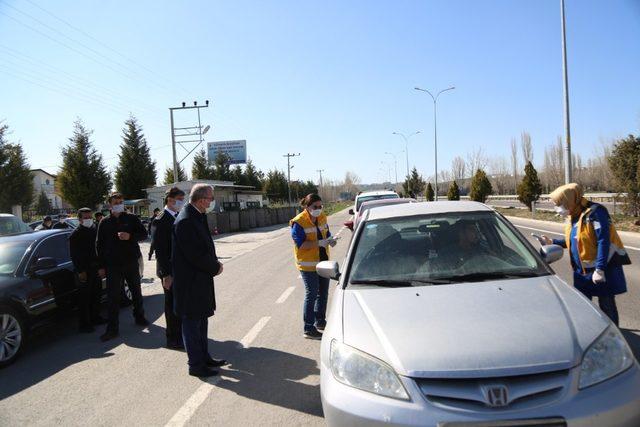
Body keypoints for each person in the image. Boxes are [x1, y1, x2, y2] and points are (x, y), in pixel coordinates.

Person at [539, 183, 630, 326]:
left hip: (602, 269)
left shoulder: (595, 213)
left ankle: (614, 335)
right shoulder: (574, 215)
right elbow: (576, 239)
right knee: (583, 306)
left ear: (569, 201)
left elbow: (603, 240)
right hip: (582, 271)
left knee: (606, 305)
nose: (557, 208)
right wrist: (552, 241)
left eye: (559, 204)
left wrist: (600, 269)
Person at [172, 184, 226, 377]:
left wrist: (214, 262)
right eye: (210, 198)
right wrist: (215, 267)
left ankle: (204, 357)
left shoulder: (197, 215)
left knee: (201, 321)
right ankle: (195, 364)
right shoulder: (186, 220)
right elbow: (194, 255)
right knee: (192, 324)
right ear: (202, 199)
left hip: (199, 280)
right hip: (190, 283)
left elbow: (204, 248)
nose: (212, 202)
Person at [96, 192, 150, 342]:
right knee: (113, 297)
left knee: (136, 291)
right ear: (110, 204)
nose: (119, 203)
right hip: (112, 265)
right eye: (115, 201)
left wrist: (130, 236)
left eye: (121, 201)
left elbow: (144, 234)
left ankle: (139, 317)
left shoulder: (131, 218)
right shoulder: (104, 222)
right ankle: (112, 329)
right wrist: (101, 266)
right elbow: (99, 245)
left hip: (130, 261)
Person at [290, 193, 337, 340]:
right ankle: (308, 328)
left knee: (323, 293)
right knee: (312, 294)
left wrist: (330, 240)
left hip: (323, 262)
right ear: (307, 207)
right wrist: (318, 243)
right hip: (308, 265)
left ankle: (320, 322)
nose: (318, 209)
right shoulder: (299, 222)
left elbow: (327, 233)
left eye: (320, 206)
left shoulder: (322, 217)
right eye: (315, 207)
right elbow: (301, 244)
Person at [152, 187, 186, 350]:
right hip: (169, 271)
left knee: (179, 304)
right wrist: (166, 274)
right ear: (170, 200)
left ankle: (180, 334)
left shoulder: (178, 215)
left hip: (179, 268)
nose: (182, 202)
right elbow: (160, 249)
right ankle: (172, 338)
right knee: (171, 305)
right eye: (180, 199)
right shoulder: (161, 218)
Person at [69, 208, 105, 333]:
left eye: (90, 217)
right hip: (84, 270)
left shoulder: (94, 230)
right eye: (86, 218)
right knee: (85, 299)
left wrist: (101, 267)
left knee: (96, 294)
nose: (89, 220)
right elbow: (75, 255)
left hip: (95, 268)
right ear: (79, 219)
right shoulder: (75, 234)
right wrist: (80, 271)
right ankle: (84, 324)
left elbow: (98, 250)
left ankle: (96, 317)